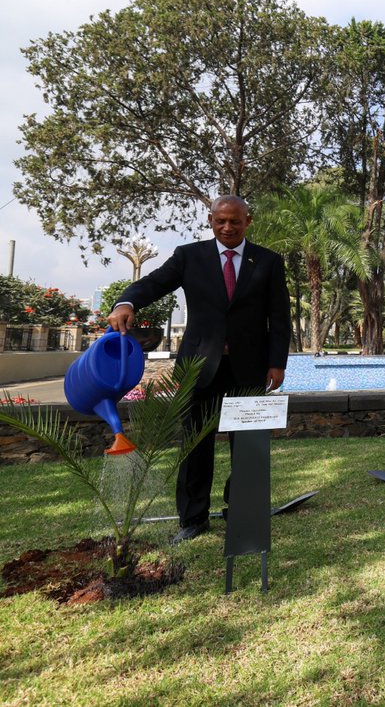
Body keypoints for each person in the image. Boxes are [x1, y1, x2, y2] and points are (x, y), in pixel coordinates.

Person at [108, 195, 290, 542]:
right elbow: (154, 283)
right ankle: (193, 519)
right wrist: (126, 302)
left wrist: (276, 363)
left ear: (247, 221)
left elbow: (279, 318)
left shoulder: (267, 261)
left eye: (235, 221)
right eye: (221, 221)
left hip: (249, 368)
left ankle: (242, 509)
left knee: (249, 444)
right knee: (194, 446)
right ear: (210, 220)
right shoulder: (189, 256)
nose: (227, 227)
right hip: (199, 368)